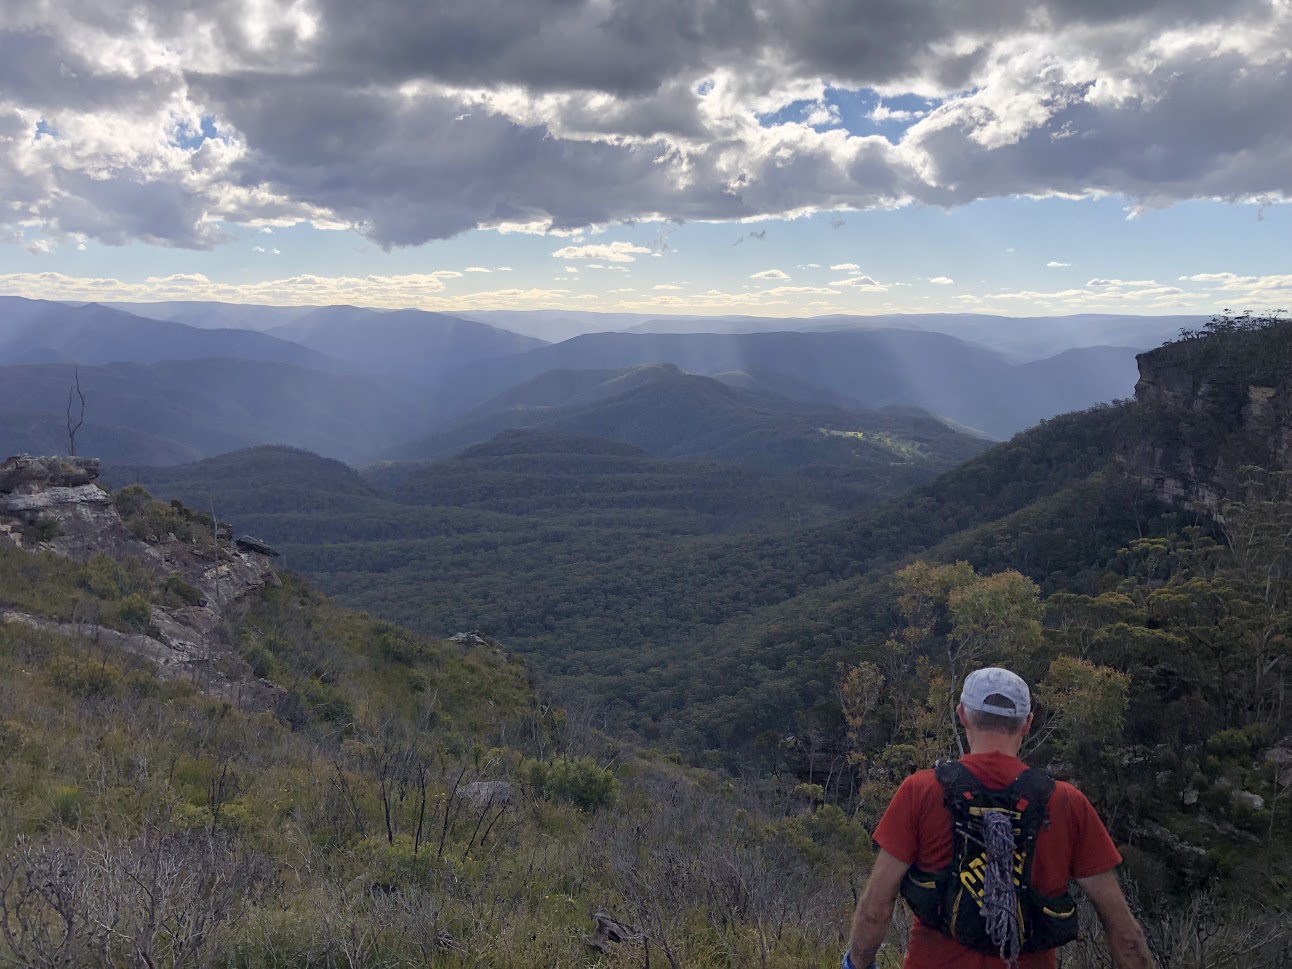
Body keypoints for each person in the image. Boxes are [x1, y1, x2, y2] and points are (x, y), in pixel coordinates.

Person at [844, 667, 1154, 969]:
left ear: (962, 714)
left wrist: (855, 964)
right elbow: (1126, 937)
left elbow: (875, 911)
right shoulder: (1067, 803)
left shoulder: (921, 791)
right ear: (1028, 723)